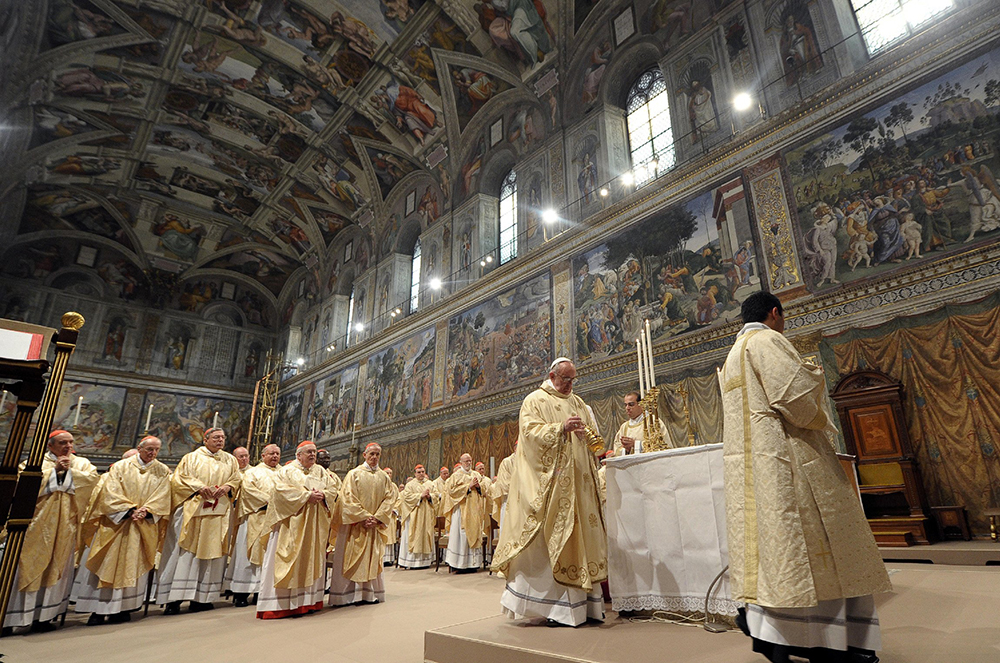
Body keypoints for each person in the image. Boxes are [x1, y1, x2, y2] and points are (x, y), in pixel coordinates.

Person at [721, 291, 891, 663]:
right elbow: (795, 402)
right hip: (788, 460)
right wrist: (813, 377)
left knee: (779, 555)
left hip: (756, 467)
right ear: (775, 313)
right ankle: (829, 644)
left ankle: (775, 635)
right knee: (817, 549)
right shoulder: (767, 341)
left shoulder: (734, 353)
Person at [493, 358, 607, 626]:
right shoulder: (534, 400)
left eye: (573, 380)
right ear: (552, 375)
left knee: (580, 538)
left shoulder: (578, 402)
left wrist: (587, 437)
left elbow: (591, 437)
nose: (569, 385)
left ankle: (586, 607)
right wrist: (560, 429)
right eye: (565, 379)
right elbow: (530, 434)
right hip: (552, 486)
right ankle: (554, 608)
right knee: (550, 543)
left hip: (578, 484)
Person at [3, 430, 99, 633]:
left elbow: (92, 481)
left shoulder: (81, 464)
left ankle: (44, 617)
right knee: (26, 566)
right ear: (50, 446)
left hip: (65, 526)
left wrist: (68, 473)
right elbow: (23, 486)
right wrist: (54, 472)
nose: (68, 447)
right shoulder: (34, 463)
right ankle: (11, 618)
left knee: (57, 568)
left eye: (71, 442)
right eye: (63, 443)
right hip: (36, 526)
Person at [73, 436, 171, 625]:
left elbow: (163, 495)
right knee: (107, 563)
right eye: (149, 449)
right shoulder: (121, 466)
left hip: (142, 526)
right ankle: (99, 610)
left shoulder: (161, 471)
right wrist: (129, 510)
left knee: (135, 563)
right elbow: (110, 492)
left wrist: (148, 511)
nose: (153, 453)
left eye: (157, 450)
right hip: (116, 525)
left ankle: (125, 608)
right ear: (139, 448)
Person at [157, 427, 241, 614]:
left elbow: (237, 479)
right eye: (216, 437)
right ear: (205, 439)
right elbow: (179, 480)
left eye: (223, 437)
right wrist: (199, 487)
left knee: (213, 554)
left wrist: (228, 486)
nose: (220, 440)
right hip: (193, 512)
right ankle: (175, 599)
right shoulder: (191, 458)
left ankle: (203, 598)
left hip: (218, 514)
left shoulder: (230, 460)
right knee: (185, 554)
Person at [256, 442, 340, 619]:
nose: (312, 455)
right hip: (291, 526)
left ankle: (308, 602)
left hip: (315, 526)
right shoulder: (287, 471)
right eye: (308, 452)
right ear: (298, 455)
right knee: (289, 559)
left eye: (314, 452)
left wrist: (324, 495)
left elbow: (333, 489)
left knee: (311, 560)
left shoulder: (321, 471)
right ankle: (282, 605)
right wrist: (306, 496)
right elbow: (279, 493)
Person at [328, 443, 395, 606]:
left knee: (372, 558)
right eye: (371, 454)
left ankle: (368, 594)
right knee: (349, 557)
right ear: (364, 455)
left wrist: (378, 518)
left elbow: (390, 498)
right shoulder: (354, 474)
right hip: (355, 525)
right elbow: (347, 498)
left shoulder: (383, 477)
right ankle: (345, 596)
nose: (374, 457)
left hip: (373, 527)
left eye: (377, 454)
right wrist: (364, 517)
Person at [230, 444, 281, 607]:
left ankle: (261, 592)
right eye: (271, 453)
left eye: (277, 454)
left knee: (269, 557)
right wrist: (271, 502)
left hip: (275, 521)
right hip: (255, 517)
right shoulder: (253, 472)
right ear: (263, 455)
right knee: (247, 555)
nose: (275, 456)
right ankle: (241, 592)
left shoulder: (285, 473)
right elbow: (248, 492)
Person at [444, 453, 485, 572]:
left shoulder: (476, 474)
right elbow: (451, 492)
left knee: (474, 533)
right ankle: (460, 564)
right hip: (461, 511)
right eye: (466, 461)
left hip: (475, 510)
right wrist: (468, 486)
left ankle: (473, 564)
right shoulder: (456, 476)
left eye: (470, 461)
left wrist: (478, 487)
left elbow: (485, 489)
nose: (468, 463)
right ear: (461, 462)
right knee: (461, 536)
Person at [397, 465, 439, 569]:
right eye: (419, 472)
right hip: (414, 516)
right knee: (414, 535)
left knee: (426, 535)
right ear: (415, 473)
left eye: (423, 472)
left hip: (427, 515)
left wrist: (430, 497)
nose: (421, 474)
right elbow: (406, 498)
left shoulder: (430, 484)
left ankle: (425, 562)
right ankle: (412, 562)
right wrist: (420, 496)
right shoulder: (410, 485)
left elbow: (437, 496)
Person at [223, 445, 252, 597]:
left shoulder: (253, 472)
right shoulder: (229, 472)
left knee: (241, 549)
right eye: (241, 456)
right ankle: (228, 582)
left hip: (244, 515)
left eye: (246, 456)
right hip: (228, 512)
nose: (244, 459)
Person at [612, 391, 674, 455]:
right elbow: (617, 449)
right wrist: (626, 450)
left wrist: (635, 444)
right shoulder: (624, 427)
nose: (627, 408)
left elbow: (662, 444)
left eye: (631, 404)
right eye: (626, 405)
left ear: (641, 404)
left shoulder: (653, 421)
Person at [487, 448, 515, 531]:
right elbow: (504, 483)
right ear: (515, 448)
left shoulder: (525, 462)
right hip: (509, 499)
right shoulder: (506, 462)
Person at [382, 467, 401, 566]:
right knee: (382, 537)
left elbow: (398, 499)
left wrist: (395, 509)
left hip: (391, 515)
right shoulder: (379, 484)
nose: (389, 475)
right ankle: (381, 558)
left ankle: (389, 559)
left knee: (390, 538)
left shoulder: (394, 486)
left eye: (390, 473)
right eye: (387, 473)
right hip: (382, 515)